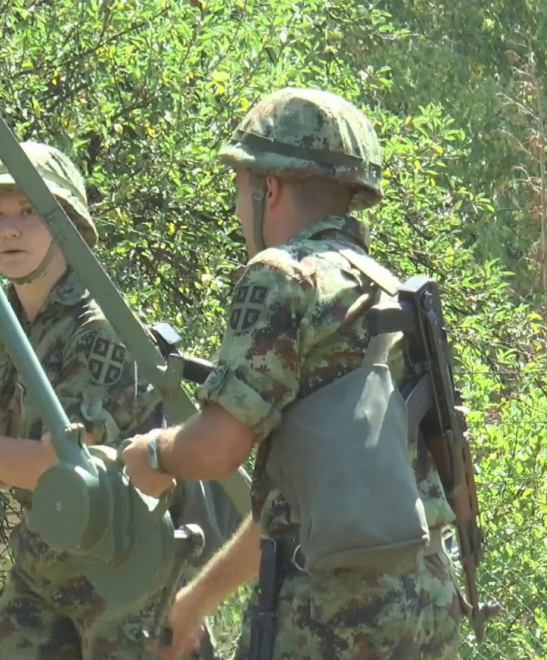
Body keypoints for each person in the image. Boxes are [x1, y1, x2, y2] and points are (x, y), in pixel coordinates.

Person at [121, 87, 462, 659]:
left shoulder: (282, 275)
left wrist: (152, 452)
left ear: (268, 189)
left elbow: (216, 450)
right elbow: (308, 505)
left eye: (240, 190)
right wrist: (198, 598)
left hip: (333, 613)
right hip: (428, 599)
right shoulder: (385, 289)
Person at [0, 141, 214, 659]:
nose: (10, 229)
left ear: (68, 226)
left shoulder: (103, 331)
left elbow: (55, 465)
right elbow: (11, 456)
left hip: (125, 573)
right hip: (46, 566)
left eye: (29, 211)